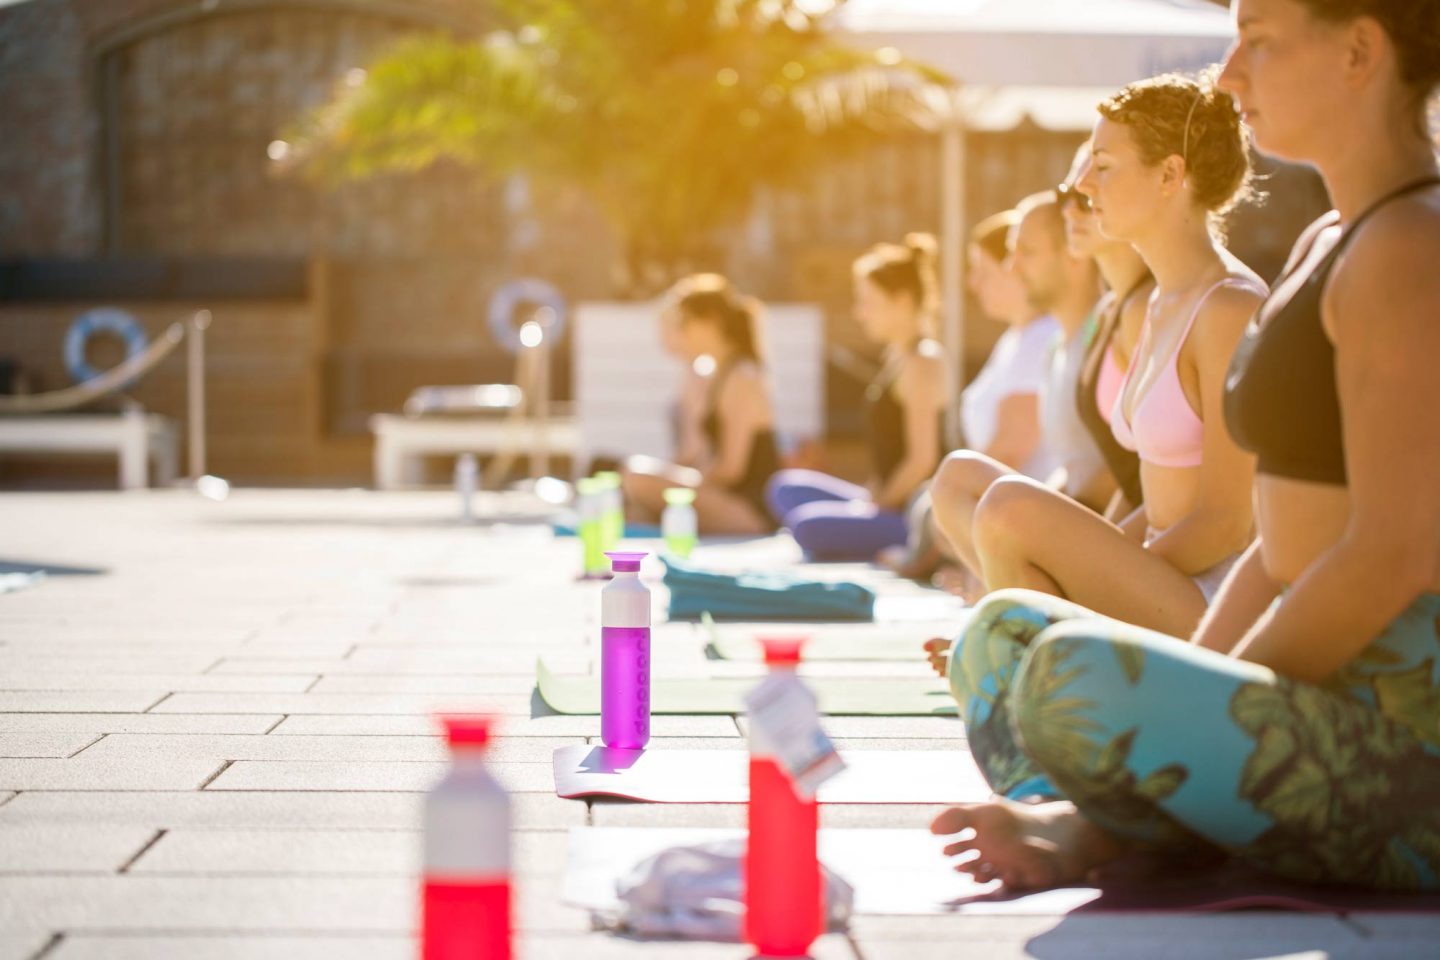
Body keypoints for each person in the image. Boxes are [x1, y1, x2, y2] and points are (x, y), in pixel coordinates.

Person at [934, 0, 1440, 893]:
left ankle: (1100, 824)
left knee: (1067, 674)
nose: (1230, 73)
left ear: (1360, 51)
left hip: (1403, 748)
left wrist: (1210, 700)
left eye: (1260, 42)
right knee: (1000, 636)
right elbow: (1278, 545)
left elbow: (1390, 556)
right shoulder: (1330, 239)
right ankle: (1131, 813)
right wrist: (1196, 681)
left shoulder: (1410, 246)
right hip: (1303, 693)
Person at [962, 72, 1267, 637]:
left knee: (1009, 508)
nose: (1083, 184)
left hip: (1213, 601)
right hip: (1162, 579)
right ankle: (1010, 641)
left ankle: (1015, 645)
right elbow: (1158, 500)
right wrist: (1080, 579)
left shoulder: (1228, 308)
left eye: (1102, 166)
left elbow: (1229, 523)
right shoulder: (1159, 304)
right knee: (988, 503)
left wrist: (1086, 591)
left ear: (1170, 174)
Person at [927, 189, 1109, 595]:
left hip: (1107, 538)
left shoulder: (1108, 335)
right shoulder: (1058, 347)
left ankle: (1007, 596)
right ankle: (1002, 594)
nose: (1012, 266)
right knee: (956, 483)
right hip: (1073, 524)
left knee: (961, 479)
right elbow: (1074, 469)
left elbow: (1119, 478)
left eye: (1024, 252)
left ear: (1075, 252)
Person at [879, 210, 1058, 580]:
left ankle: (953, 562)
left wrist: (951, 509)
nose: (973, 283)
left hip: (1012, 517)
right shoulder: (1016, 340)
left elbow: (1011, 450)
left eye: (983, 271)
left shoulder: (1040, 339)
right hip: (989, 511)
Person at [765, 234, 947, 561]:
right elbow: (891, 453)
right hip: (887, 502)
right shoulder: (898, 357)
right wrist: (872, 496)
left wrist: (877, 505)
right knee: (786, 488)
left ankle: (887, 537)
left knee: (805, 526)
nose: (860, 313)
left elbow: (922, 460)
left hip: (913, 515)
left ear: (902, 300)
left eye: (868, 302)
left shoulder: (923, 362)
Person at [621, 274, 780, 535]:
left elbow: (731, 469)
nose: (680, 334)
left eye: (684, 324)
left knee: (639, 477)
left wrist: (680, 487)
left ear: (710, 322)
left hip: (749, 510)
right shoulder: (716, 375)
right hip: (725, 498)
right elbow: (697, 452)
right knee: (636, 489)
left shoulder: (742, 377)